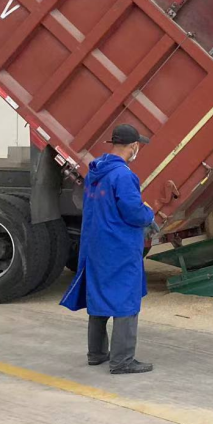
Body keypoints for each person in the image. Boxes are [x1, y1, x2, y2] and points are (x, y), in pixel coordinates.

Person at [61, 124, 157, 374]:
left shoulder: (96, 171)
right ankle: (122, 361)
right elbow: (133, 213)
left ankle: (96, 353)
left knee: (100, 297)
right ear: (133, 146)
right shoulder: (123, 175)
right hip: (119, 247)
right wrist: (149, 213)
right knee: (126, 300)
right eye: (138, 146)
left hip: (96, 245)